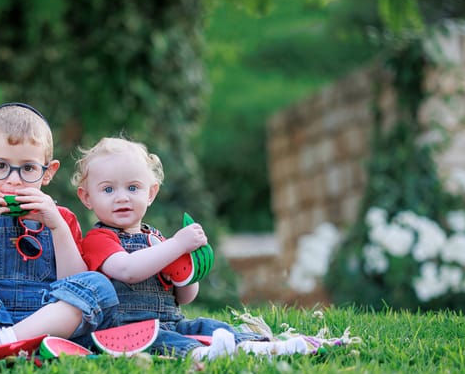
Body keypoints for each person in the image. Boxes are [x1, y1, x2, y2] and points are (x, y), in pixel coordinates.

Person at [0, 103, 118, 374]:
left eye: (28, 168)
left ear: (48, 172)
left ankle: (1, 343)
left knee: (98, 284)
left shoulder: (62, 220)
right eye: (1, 166)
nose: (14, 181)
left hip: (48, 325)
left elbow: (74, 282)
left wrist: (58, 229)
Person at [73, 137, 307, 360]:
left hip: (170, 320)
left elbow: (185, 297)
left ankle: (260, 345)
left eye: (133, 188)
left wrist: (185, 269)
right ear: (87, 198)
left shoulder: (156, 239)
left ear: (151, 193)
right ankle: (201, 353)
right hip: (126, 329)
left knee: (206, 325)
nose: (122, 197)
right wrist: (176, 245)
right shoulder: (98, 239)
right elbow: (128, 270)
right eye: (108, 190)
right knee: (161, 340)